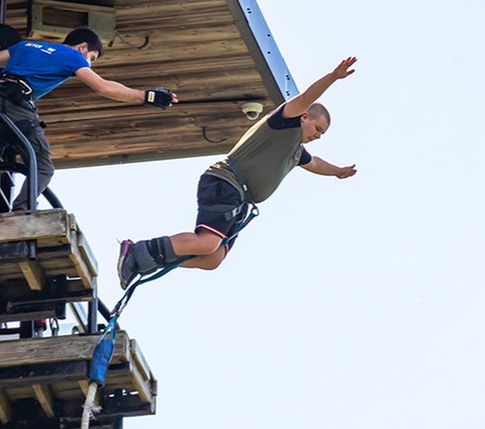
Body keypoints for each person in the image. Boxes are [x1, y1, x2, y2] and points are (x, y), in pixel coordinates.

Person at [117, 57, 358, 288]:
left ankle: (151, 260)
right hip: (227, 182)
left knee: (213, 258)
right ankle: (138, 251)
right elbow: (305, 98)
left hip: (240, 200)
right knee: (207, 243)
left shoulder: (295, 151)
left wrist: (337, 172)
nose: (318, 136)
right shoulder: (284, 122)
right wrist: (332, 77)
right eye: (317, 128)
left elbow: (314, 163)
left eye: (322, 134)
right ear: (305, 117)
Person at [0, 26, 177, 216]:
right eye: (91, 58)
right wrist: (146, 96)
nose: (89, 64)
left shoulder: (25, 46)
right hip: (17, 109)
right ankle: (21, 213)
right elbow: (103, 86)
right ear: (83, 47)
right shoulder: (73, 56)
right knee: (43, 167)